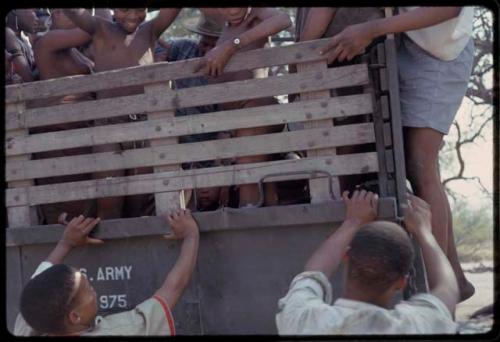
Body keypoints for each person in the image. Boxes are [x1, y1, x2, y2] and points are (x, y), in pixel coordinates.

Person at [316, 6, 475, 302]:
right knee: (404, 163)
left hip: (440, 52)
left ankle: (440, 287)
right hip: (399, 46)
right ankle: (455, 277)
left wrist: (372, 29)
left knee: (420, 163)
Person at [276, 191, 459, 334]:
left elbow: (312, 274)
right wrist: (424, 231)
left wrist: (352, 222)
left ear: (346, 258)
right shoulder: (416, 326)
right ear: (401, 282)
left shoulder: (306, 320)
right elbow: (448, 288)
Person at [62, 8, 181, 219]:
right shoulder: (100, 28)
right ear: (113, 10)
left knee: (139, 201)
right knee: (109, 200)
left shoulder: (151, 30)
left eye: (139, 10)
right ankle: (110, 249)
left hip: (143, 126)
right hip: (109, 125)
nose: (133, 16)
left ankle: (135, 249)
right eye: (125, 9)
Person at [13, 208, 199, 336]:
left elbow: (35, 289)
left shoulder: (29, 324)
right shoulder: (121, 330)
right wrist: (191, 236)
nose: (94, 291)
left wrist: (66, 243)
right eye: (89, 290)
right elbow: (172, 290)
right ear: (75, 317)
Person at [195, 7, 291, 207]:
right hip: (232, 121)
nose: (232, 10)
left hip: (257, 110)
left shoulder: (256, 16)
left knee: (247, 176)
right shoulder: (226, 23)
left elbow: (283, 20)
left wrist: (232, 46)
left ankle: (250, 220)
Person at [29, 8, 97, 224]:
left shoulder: (73, 50)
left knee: (86, 206)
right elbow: (96, 28)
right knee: (67, 207)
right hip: (61, 138)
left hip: (82, 136)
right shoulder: (47, 41)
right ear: (58, 13)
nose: (82, 16)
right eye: (76, 12)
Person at [5, 9, 41, 82]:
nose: (37, 19)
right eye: (33, 11)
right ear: (15, 11)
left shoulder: (24, 40)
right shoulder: (8, 34)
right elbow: (29, 81)